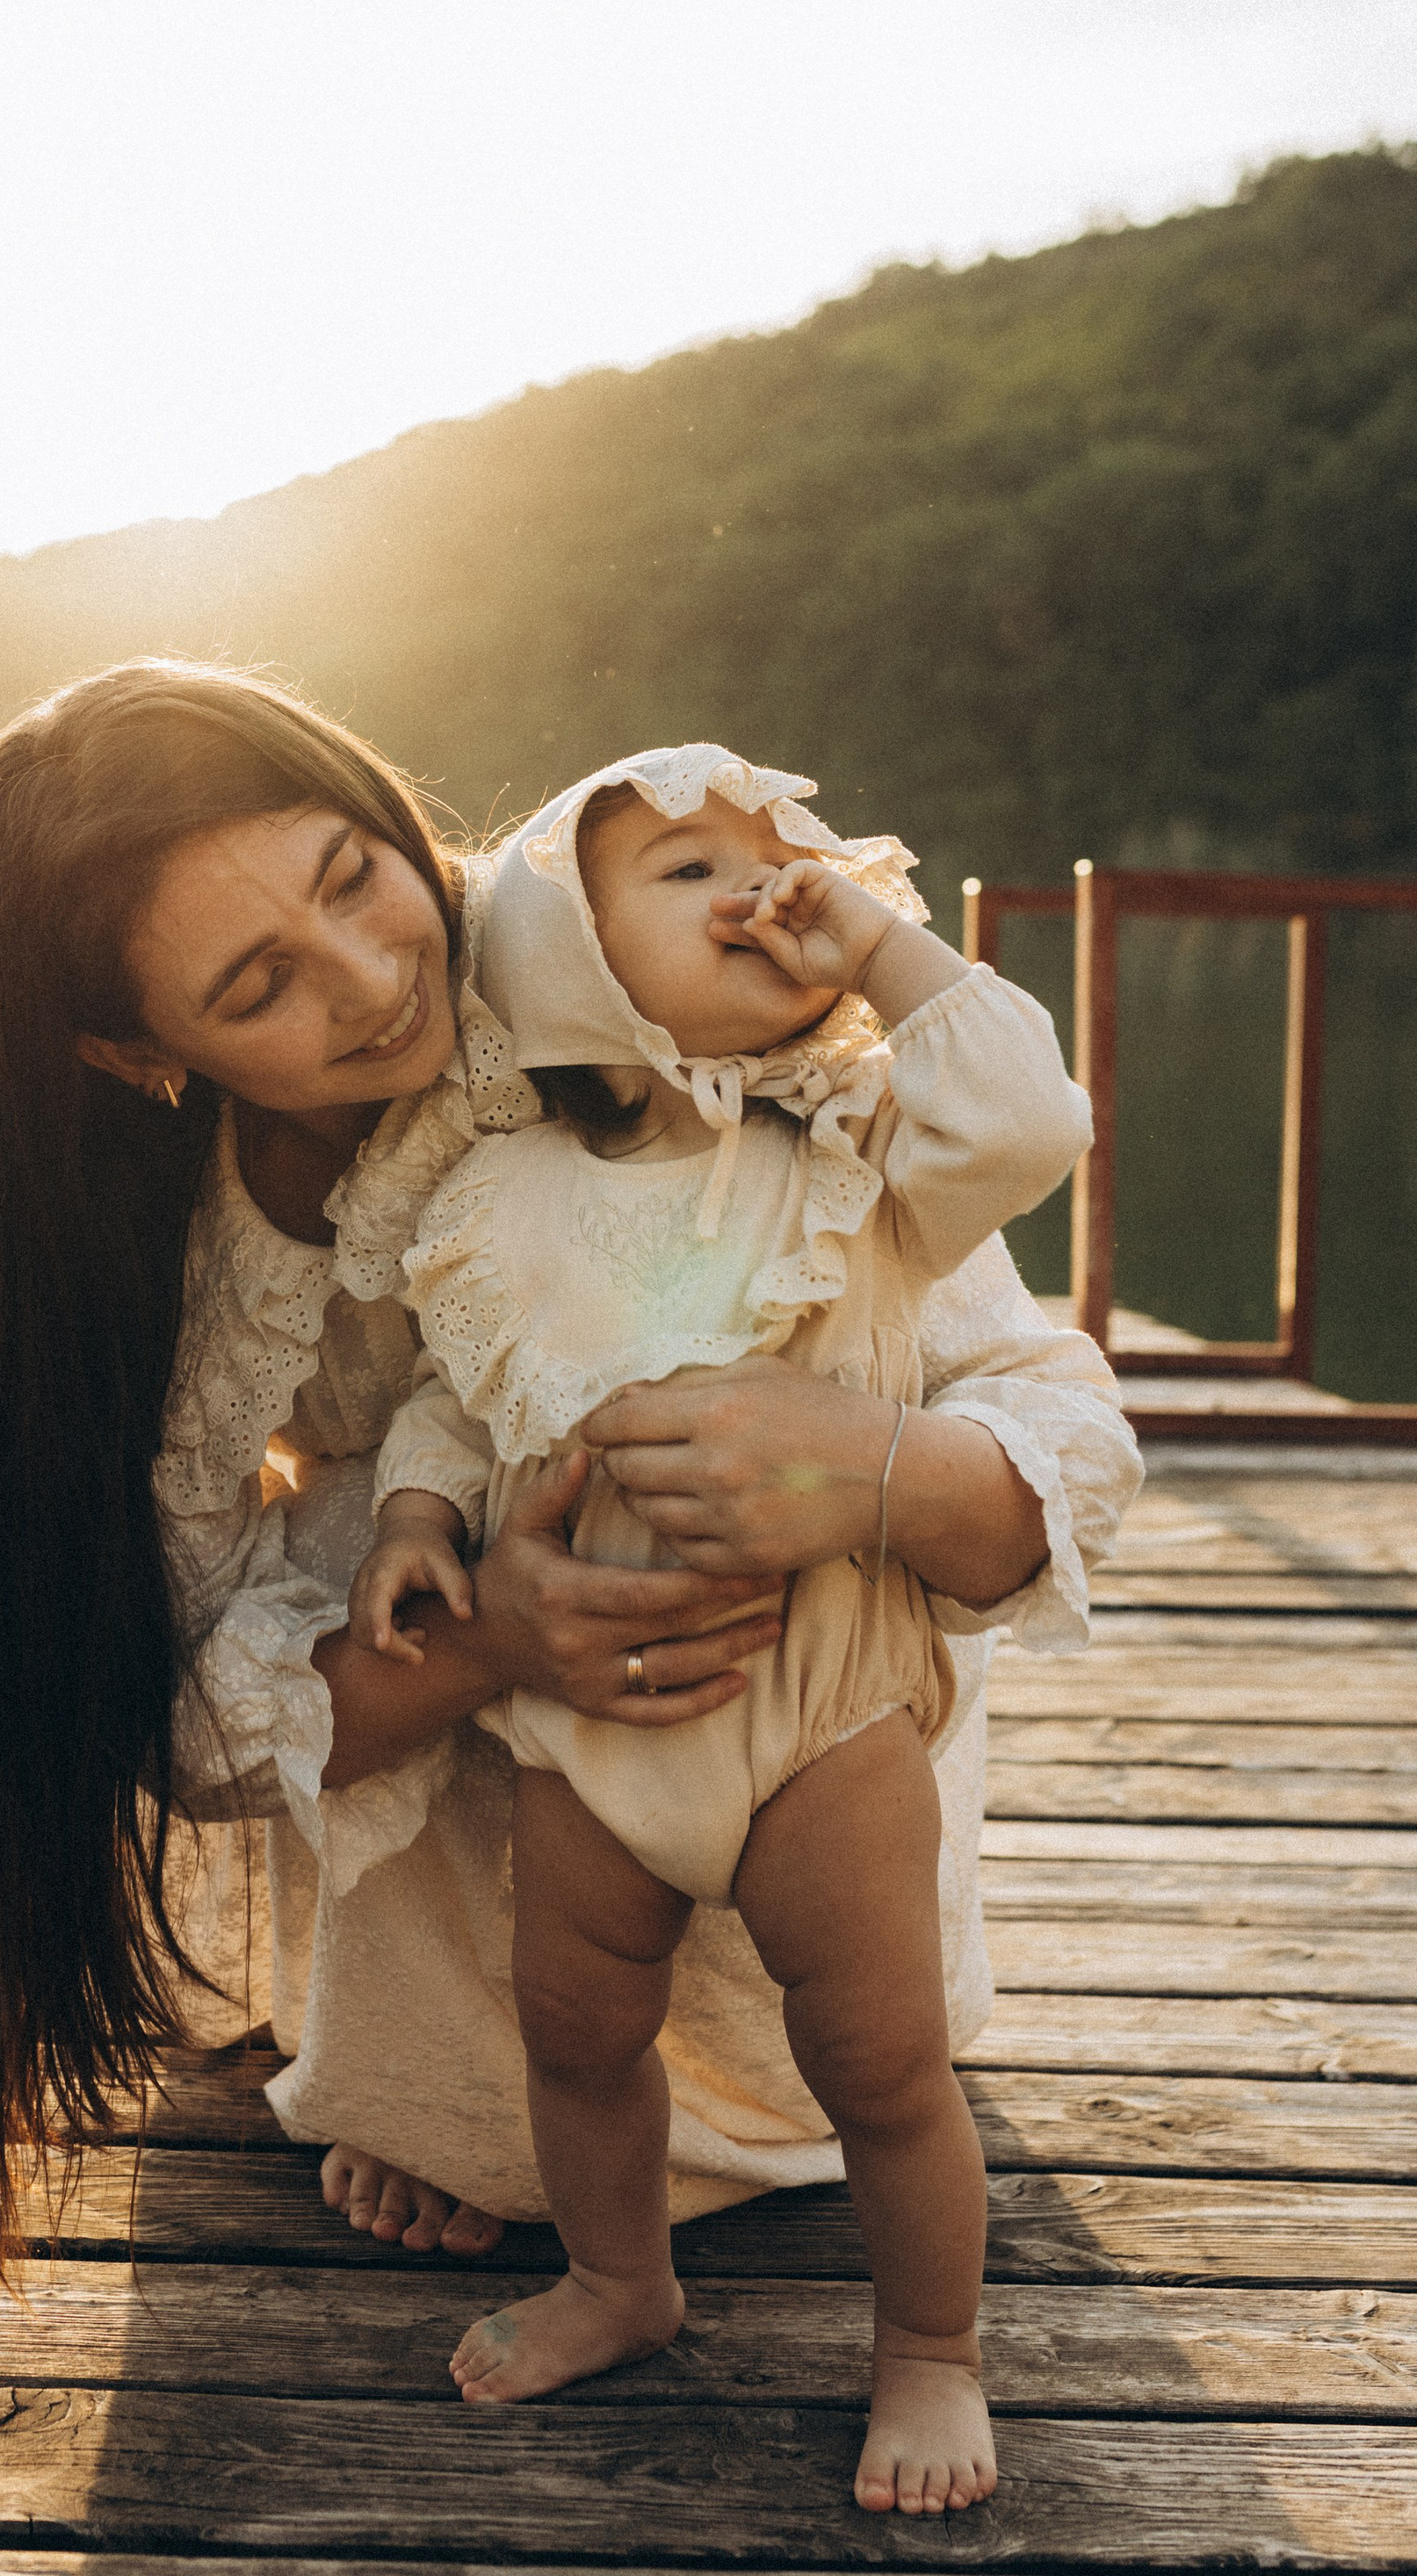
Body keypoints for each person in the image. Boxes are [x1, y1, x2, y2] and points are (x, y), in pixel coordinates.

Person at [0, 664, 1140, 2522]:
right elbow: (150, 1708)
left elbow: (1037, 1405)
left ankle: (758, 2164)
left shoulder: (632, 985)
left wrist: (851, 1467)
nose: (366, 972)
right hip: (554, 1840)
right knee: (372, 1580)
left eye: (350, 873)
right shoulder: (164, 1242)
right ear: (136, 1055)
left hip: (789, 1736)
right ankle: (477, 2118)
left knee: (852, 2007)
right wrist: (489, 1629)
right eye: (256, 987)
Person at [351, 748, 1091, 2507]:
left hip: (818, 1697)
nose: (768, 885)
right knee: (575, 2027)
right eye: (688, 866)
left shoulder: (856, 1153)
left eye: (797, 857)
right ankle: (620, 2276)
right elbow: (463, 1399)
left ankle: (927, 2350)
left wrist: (885, 952)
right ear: (564, 952)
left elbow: (1029, 1115)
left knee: (880, 2058)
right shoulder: (494, 1192)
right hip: (586, 1721)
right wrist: (409, 1517)